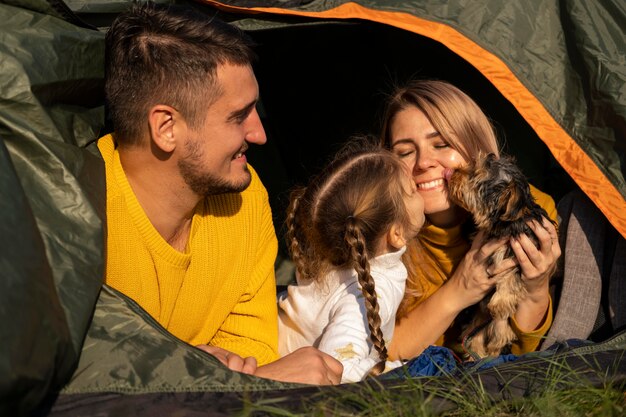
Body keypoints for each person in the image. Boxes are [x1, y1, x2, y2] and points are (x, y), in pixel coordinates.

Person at [100, 2, 342, 385]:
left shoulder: (244, 201)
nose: (259, 134)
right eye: (238, 115)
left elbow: (249, 356)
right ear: (166, 127)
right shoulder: (78, 213)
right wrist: (187, 368)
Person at [379, 80, 561, 361]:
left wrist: (536, 290)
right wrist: (460, 290)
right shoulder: (380, 235)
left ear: (476, 144)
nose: (424, 162)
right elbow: (379, 352)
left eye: (441, 144)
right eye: (404, 152)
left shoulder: (527, 210)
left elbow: (526, 356)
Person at [278, 139, 425, 382]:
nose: (417, 185)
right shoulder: (369, 290)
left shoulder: (336, 256)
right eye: (412, 191)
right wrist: (403, 369)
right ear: (397, 234)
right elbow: (338, 366)